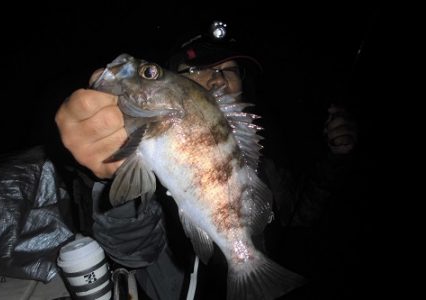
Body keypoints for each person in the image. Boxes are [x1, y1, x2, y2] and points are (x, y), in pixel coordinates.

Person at [55, 20, 360, 299]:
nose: (218, 80)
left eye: (230, 70)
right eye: (201, 67)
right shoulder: (146, 142)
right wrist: (107, 173)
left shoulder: (261, 163)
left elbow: (302, 215)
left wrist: (334, 160)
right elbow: (134, 251)